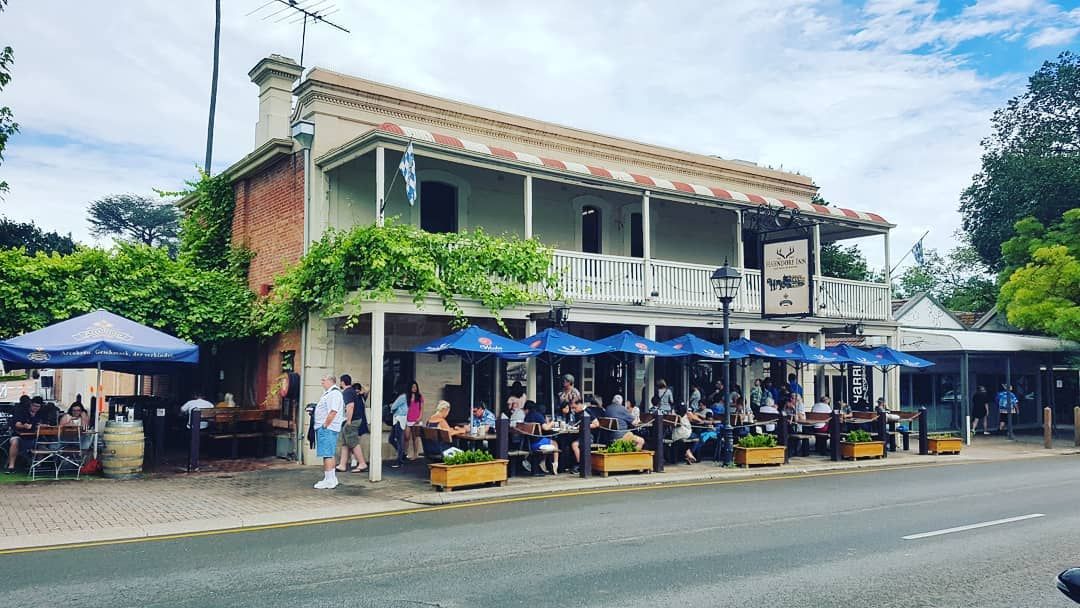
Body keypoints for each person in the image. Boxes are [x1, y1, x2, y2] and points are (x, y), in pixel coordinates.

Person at [313, 375, 344, 489]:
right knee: (329, 453)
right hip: (328, 428)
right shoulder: (330, 393)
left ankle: (329, 480)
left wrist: (325, 425)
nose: (322, 382)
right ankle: (330, 478)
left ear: (331, 381)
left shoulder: (333, 394)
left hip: (327, 428)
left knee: (327, 454)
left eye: (323, 380)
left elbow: (333, 411)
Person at [335, 374, 368, 474]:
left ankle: (362, 463)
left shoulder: (347, 392)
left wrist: (348, 420)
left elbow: (350, 406)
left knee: (353, 442)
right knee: (345, 442)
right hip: (354, 419)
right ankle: (342, 464)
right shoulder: (351, 391)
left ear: (342, 382)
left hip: (352, 420)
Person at [6, 396, 44, 473]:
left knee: (43, 444)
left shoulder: (41, 414)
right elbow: (17, 424)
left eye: (38, 406)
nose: (36, 408)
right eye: (34, 406)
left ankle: (37, 465)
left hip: (35, 436)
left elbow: (44, 424)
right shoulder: (22, 412)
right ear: (30, 404)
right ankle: (11, 466)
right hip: (19, 435)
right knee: (15, 442)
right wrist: (24, 426)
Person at [522, 400, 557, 475]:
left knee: (548, 442)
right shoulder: (538, 415)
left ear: (527, 409)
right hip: (535, 443)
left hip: (528, 443)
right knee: (555, 443)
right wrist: (551, 423)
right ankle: (555, 464)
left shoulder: (527, 417)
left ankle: (543, 462)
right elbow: (546, 428)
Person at [568, 397, 600, 474]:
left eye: (575, 408)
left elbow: (597, 424)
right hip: (579, 435)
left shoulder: (588, 411)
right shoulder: (577, 413)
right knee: (569, 442)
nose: (574, 410)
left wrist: (585, 425)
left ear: (579, 404)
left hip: (589, 436)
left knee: (574, 445)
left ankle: (580, 465)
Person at [386, 383, 409, 468]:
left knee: (398, 440)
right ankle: (402, 454)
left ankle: (400, 460)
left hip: (399, 419)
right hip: (399, 419)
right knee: (392, 438)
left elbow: (393, 407)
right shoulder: (406, 397)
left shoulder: (402, 397)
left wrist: (391, 406)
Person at [405, 382, 424, 460]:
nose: (414, 388)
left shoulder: (419, 396)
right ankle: (405, 453)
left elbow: (422, 409)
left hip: (416, 419)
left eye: (415, 387)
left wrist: (419, 417)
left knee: (415, 437)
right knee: (406, 436)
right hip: (408, 419)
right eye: (413, 387)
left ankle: (415, 454)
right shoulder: (407, 397)